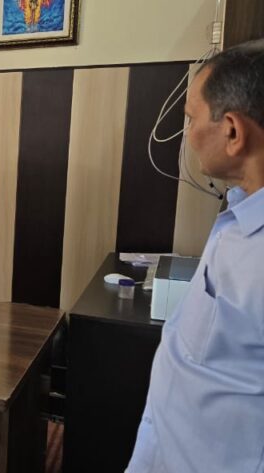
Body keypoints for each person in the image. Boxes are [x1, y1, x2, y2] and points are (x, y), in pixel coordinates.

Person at [127, 39, 264, 473]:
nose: (187, 134)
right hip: (167, 448)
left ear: (233, 132)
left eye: (191, 119)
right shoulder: (239, 214)